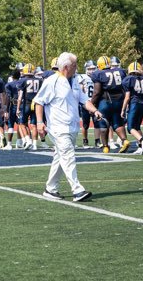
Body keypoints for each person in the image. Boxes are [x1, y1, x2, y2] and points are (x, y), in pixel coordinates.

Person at [35, 52, 101, 202]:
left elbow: (84, 100)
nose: (76, 68)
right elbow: (39, 102)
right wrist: (40, 122)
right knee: (68, 156)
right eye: (74, 65)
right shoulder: (52, 81)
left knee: (60, 158)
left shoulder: (75, 81)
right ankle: (77, 189)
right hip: (58, 128)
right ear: (66, 67)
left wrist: (95, 111)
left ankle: (50, 189)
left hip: (72, 127)